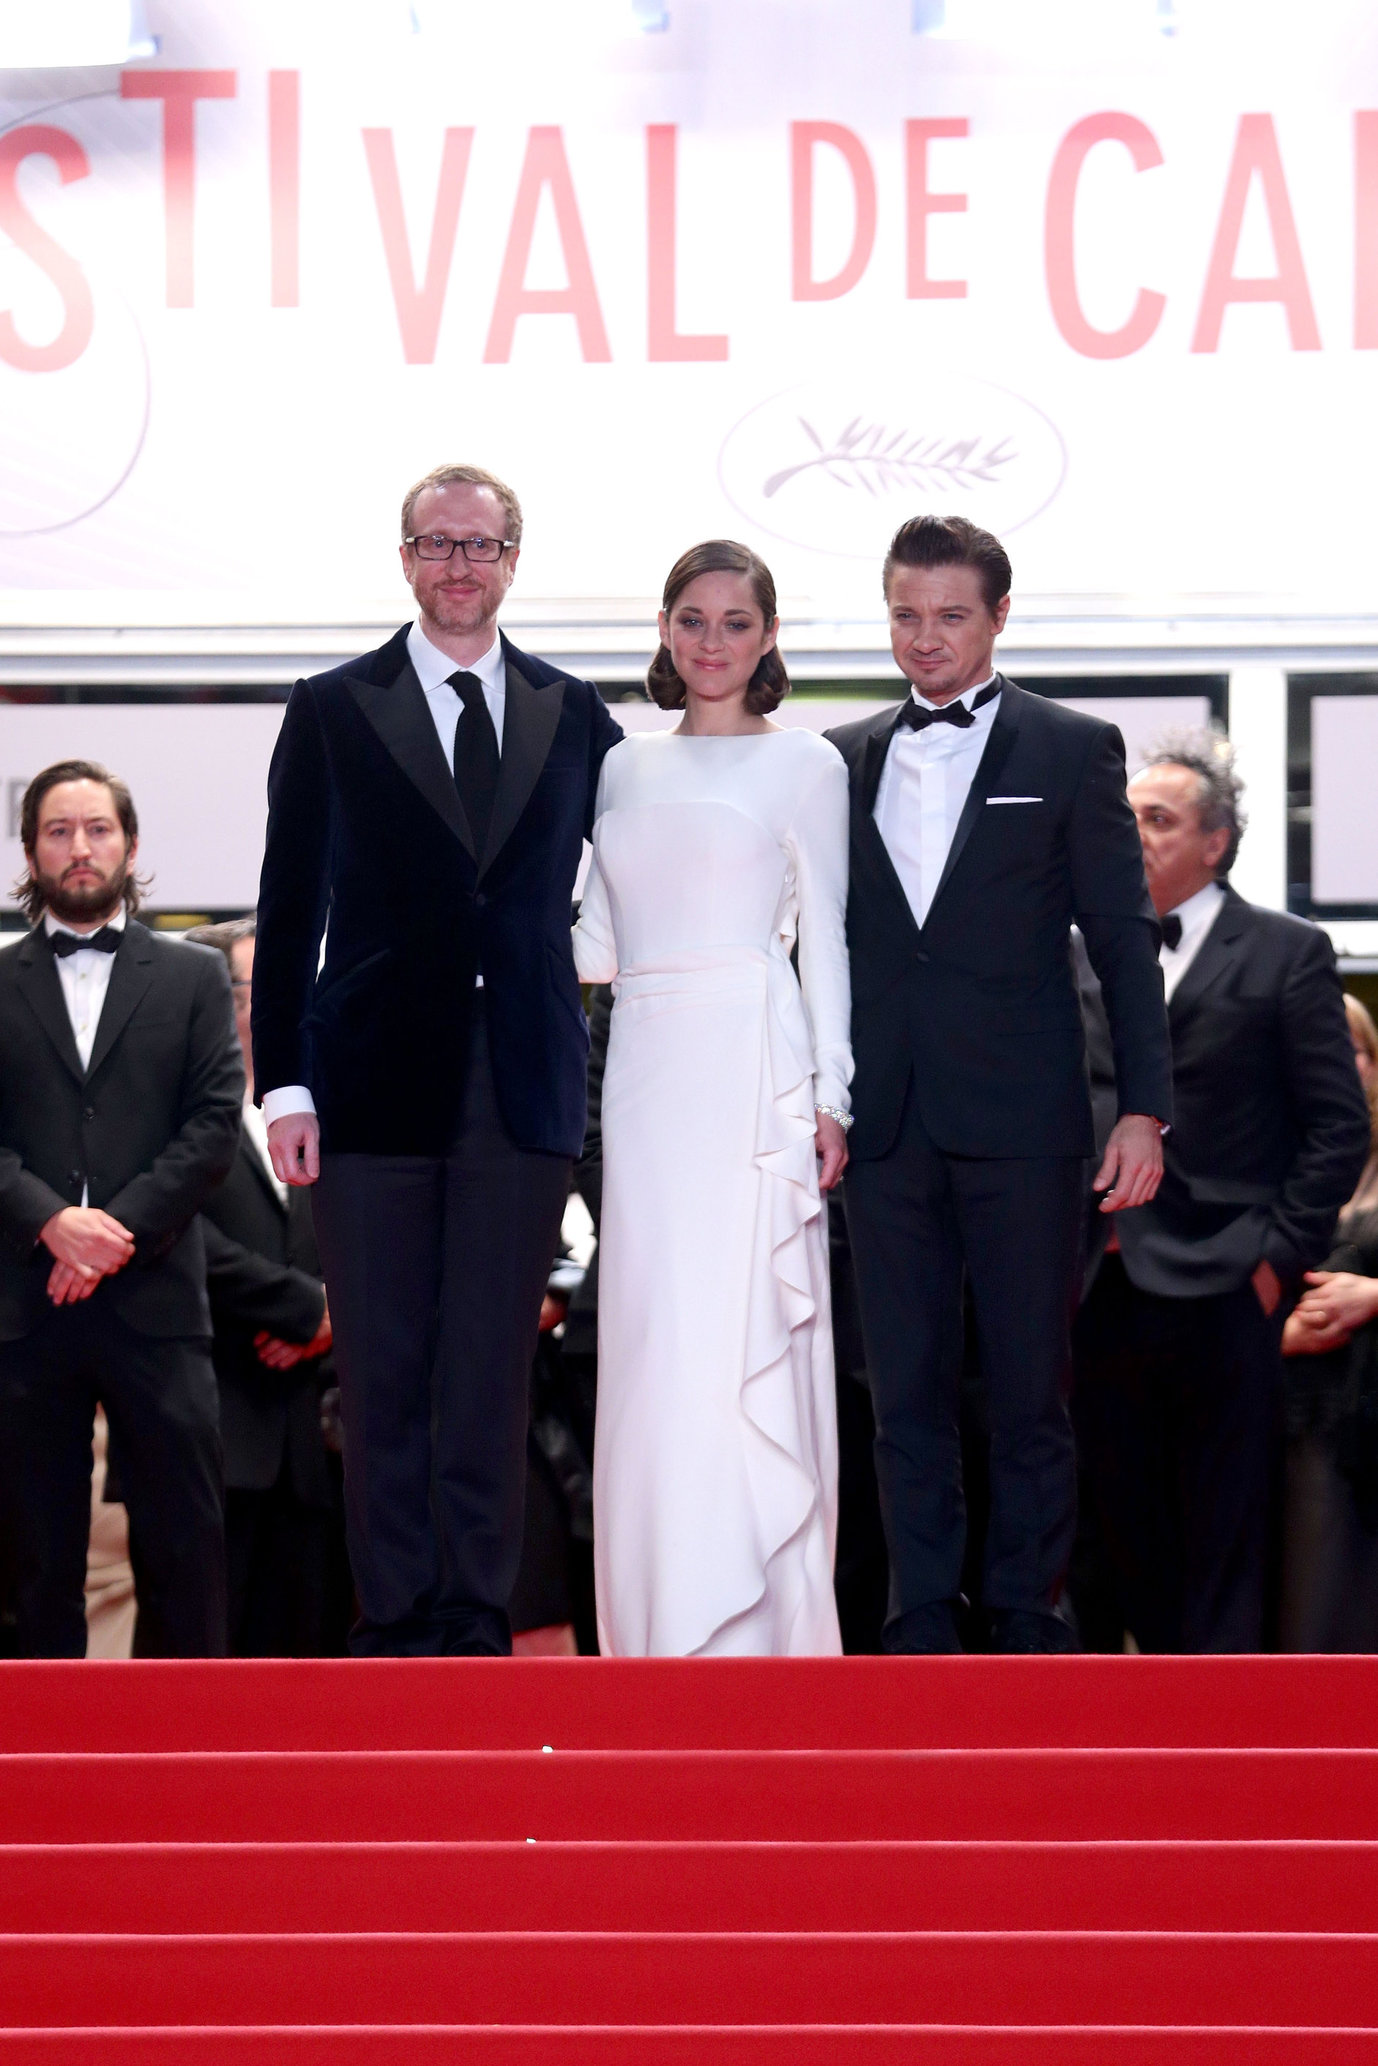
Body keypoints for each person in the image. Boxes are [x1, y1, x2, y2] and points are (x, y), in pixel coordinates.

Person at [252, 464, 622, 1656]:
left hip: (521, 1081)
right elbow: (288, 897)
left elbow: (635, 872)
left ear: (515, 557)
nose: (460, 565)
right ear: (404, 558)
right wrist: (286, 1081)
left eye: (482, 545)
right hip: (364, 1080)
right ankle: (394, 1611)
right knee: (382, 1360)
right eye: (438, 544)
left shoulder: (576, 712)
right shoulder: (331, 706)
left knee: (489, 1366)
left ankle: (473, 1612)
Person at [825, 516, 1173, 1655]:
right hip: (886, 1124)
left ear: (999, 617)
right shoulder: (838, 756)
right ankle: (919, 1611)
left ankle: (1027, 1610)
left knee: (1030, 1388)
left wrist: (1141, 1107)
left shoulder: (1071, 747)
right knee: (902, 1389)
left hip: (1026, 1121)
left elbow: (1122, 940)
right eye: (906, 615)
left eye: (950, 616)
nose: (924, 640)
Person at [573, 539, 852, 1657]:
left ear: (768, 636)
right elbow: (594, 940)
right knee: (653, 1333)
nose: (710, 640)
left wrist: (833, 1092)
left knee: (740, 1327)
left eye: (735, 621)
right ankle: (654, 1623)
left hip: (751, 1065)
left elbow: (824, 936)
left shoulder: (810, 765)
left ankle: (763, 1629)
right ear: (662, 627)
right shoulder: (620, 766)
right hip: (644, 1066)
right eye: (691, 618)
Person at [1074, 736, 1371, 1652]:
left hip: (1226, 1277)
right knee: (1108, 1528)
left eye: (1157, 819)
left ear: (1218, 841)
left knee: (1225, 1532)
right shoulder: (1071, 953)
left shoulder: (1288, 951)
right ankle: (1122, 1753)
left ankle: (1217, 1750)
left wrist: (1276, 1258)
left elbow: (1338, 1127)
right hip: (1091, 1281)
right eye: (1125, 821)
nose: (1137, 835)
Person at [0, 760, 242, 1656]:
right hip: (28, 1305)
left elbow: (213, 1125)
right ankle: (38, 1768)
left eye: (97, 829)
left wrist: (114, 1234)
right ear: (30, 852)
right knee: (36, 1557)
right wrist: (51, 1221)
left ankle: (193, 1756)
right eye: (58, 831)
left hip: (158, 1302)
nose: (80, 848)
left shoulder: (192, 979)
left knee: (185, 1547)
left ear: (130, 845)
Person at [186, 917, 347, 1657]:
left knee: (312, 1673)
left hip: (324, 1441)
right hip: (213, 1425)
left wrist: (333, 1318)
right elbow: (174, 1232)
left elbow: (377, 1234)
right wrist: (303, 1306)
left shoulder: (337, 1109)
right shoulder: (178, 1111)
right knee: (203, 1661)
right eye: (263, 986)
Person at [1277, 992, 1378, 1649]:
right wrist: (1279, 1335)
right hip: (1286, 1416)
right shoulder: (1259, 1154)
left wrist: (1374, 1296)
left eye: (1354, 1047)